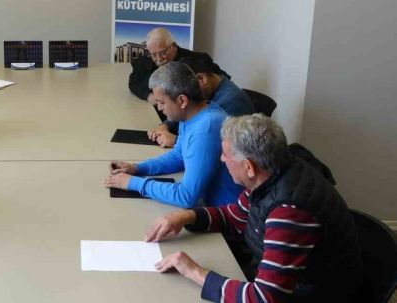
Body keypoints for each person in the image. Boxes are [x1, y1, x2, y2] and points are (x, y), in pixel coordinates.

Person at [146, 114, 362, 303]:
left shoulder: (289, 212)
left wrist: (193, 271)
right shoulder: (271, 173)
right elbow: (235, 217)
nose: (221, 159)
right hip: (277, 279)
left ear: (249, 167)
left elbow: (263, 298)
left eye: (225, 155)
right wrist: (187, 216)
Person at [104, 62, 241, 208]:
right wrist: (137, 169)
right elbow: (178, 156)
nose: (159, 108)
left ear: (182, 100)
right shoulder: (191, 115)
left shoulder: (206, 129)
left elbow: (185, 196)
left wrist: (133, 183)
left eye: (161, 102)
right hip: (208, 202)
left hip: (223, 212)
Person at [128, 28, 229, 123]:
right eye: (154, 55)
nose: (158, 59)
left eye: (163, 53)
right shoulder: (145, 62)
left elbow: (222, 80)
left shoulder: (197, 60)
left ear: (174, 47)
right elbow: (133, 82)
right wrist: (148, 96)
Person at [149, 57, 253, 147]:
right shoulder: (207, 93)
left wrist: (176, 141)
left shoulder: (233, 102)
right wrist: (165, 126)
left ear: (201, 78)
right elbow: (185, 112)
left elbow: (221, 146)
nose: (182, 94)